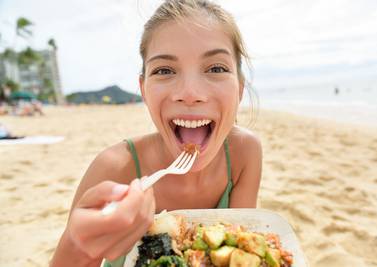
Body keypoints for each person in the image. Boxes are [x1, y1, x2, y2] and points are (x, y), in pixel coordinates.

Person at [50, 1, 262, 266]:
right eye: (164, 70)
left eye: (216, 68)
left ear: (240, 89)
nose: (190, 93)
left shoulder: (245, 153)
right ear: (144, 90)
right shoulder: (115, 168)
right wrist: (77, 244)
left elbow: (240, 249)